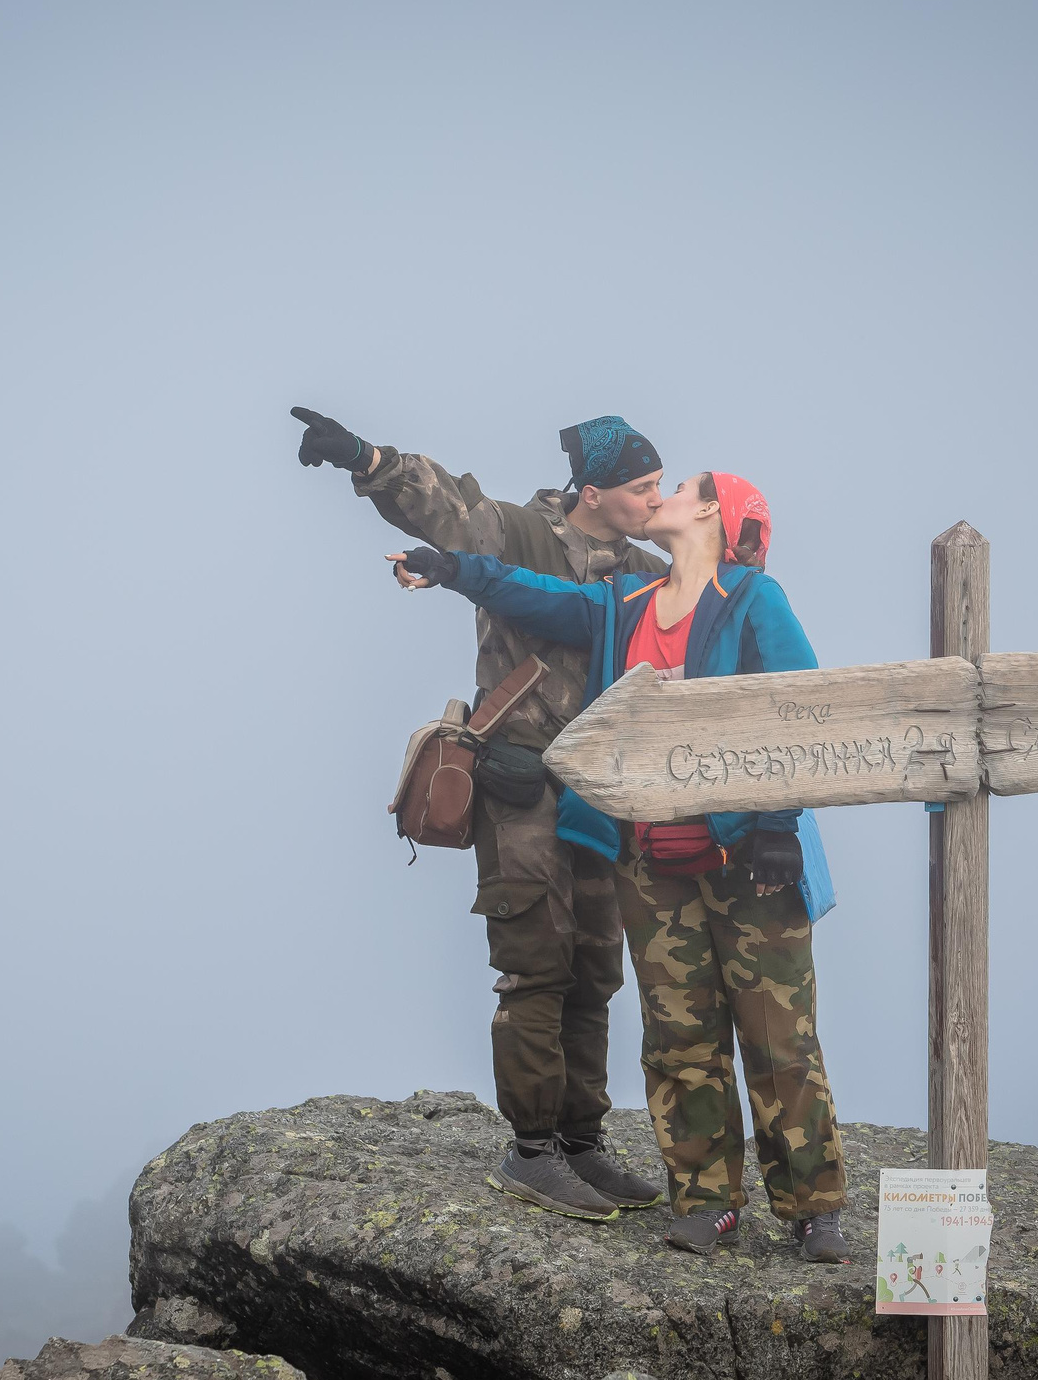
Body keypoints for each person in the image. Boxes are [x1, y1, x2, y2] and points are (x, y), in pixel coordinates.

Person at [389, 472, 852, 1263]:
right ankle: (708, 1203)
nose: (663, 491)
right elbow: (529, 591)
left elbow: (795, 706)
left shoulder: (751, 602)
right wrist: (452, 568)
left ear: (715, 511)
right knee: (679, 1039)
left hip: (750, 861)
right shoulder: (623, 605)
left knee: (777, 1039)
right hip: (652, 865)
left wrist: (779, 820)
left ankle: (813, 1211)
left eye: (684, 485)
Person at [293, 406, 670, 1223]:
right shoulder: (514, 532)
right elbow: (440, 506)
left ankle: (581, 1141)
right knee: (537, 962)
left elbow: (720, 572)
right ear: (594, 490)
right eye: (644, 487)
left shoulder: (644, 566)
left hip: (602, 792)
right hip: (521, 781)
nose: (656, 498)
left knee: (597, 967)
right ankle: (531, 1150)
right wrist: (366, 457)